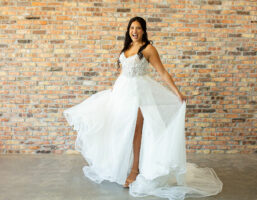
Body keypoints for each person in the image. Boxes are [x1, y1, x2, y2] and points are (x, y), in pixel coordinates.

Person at [63, 16, 223, 200]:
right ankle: (121, 166)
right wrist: (114, 89)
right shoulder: (127, 48)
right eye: (132, 27)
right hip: (122, 94)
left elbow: (162, 72)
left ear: (144, 30)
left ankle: (135, 170)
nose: (135, 31)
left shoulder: (148, 49)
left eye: (138, 28)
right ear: (128, 30)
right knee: (119, 130)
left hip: (140, 94)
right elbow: (122, 72)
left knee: (136, 131)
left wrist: (177, 92)